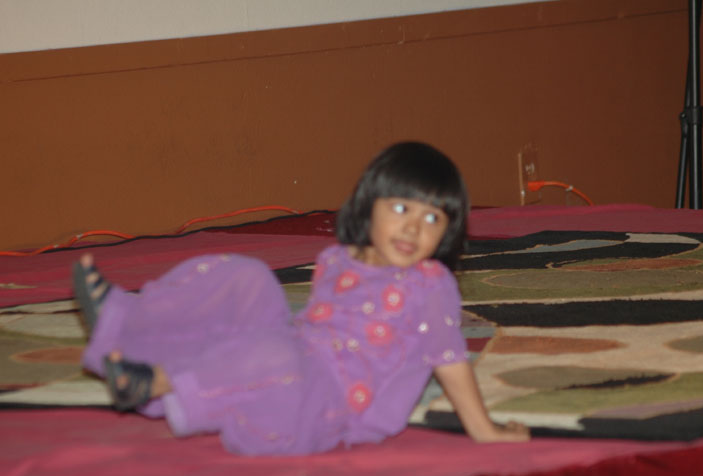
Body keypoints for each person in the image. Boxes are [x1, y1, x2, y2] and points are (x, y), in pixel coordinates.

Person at [73, 141, 530, 455]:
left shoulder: (430, 284)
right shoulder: (337, 259)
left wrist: (484, 430)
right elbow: (305, 333)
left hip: (322, 413)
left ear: (447, 233)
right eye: (400, 208)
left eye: (432, 219)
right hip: (290, 362)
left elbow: (449, 360)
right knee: (248, 276)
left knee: (274, 355)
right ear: (368, 203)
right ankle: (121, 319)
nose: (413, 227)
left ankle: (157, 382)